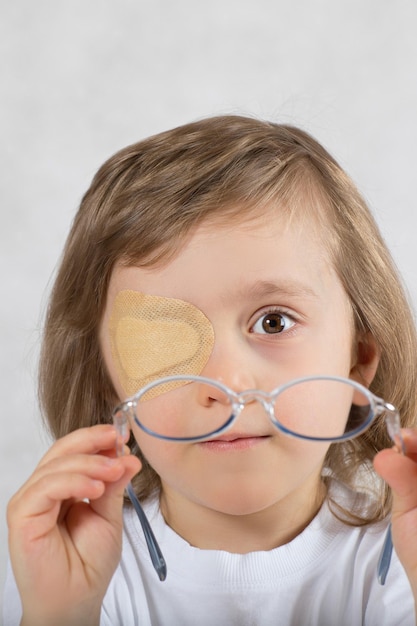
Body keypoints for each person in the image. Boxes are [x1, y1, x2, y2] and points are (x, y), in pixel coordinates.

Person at [4, 115, 417, 626]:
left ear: (359, 357)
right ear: (108, 381)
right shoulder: (80, 568)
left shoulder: (405, 557)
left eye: (273, 321)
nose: (228, 385)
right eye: (162, 337)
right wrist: (58, 613)